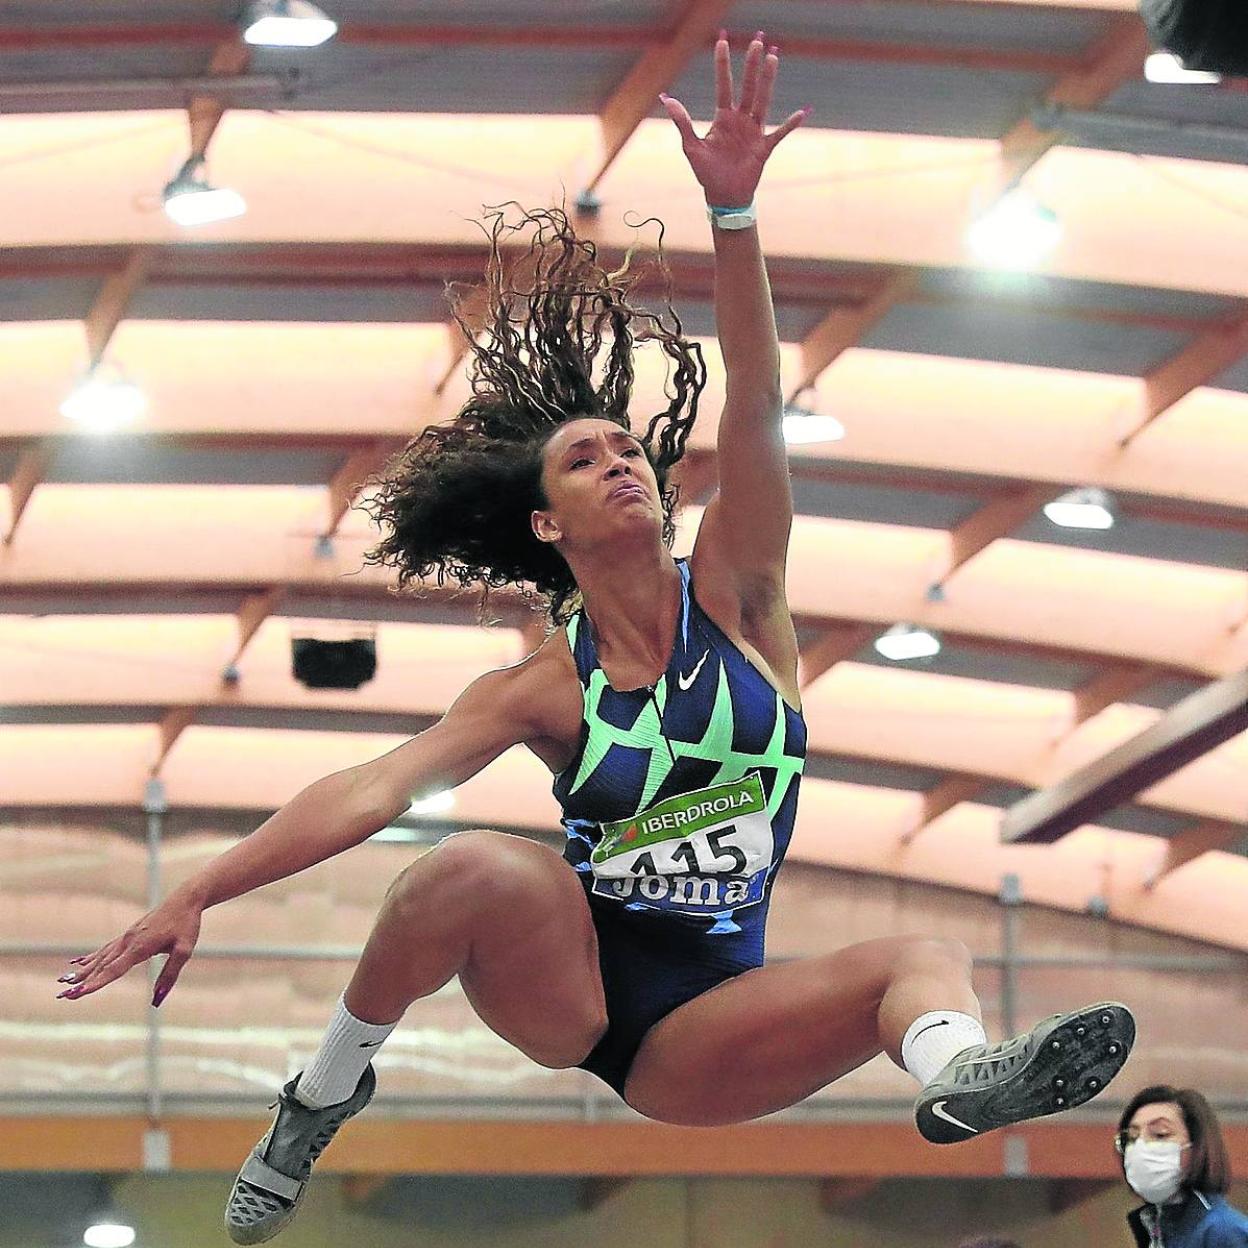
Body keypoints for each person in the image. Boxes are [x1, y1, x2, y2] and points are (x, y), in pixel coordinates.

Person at [55, 31, 1136, 1246]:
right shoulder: (545, 691)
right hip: (578, 998)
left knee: (925, 946)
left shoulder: (742, 597)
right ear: (545, 521)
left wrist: (734, 214)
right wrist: (197, 888)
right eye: (585, 458)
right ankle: (321, 1092)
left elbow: (760, 400)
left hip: (708, 1034)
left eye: (628, 447)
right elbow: (371, 786)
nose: (620, 461)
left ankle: (960, 1075)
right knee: (466, 863)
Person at [1117, 1085, 1248, 1246]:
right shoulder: (1155, 1228)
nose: (1140, 1147)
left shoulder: (1224, 1232)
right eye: (1132, 1138)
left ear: (1197, 1146)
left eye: (1160, 1134)